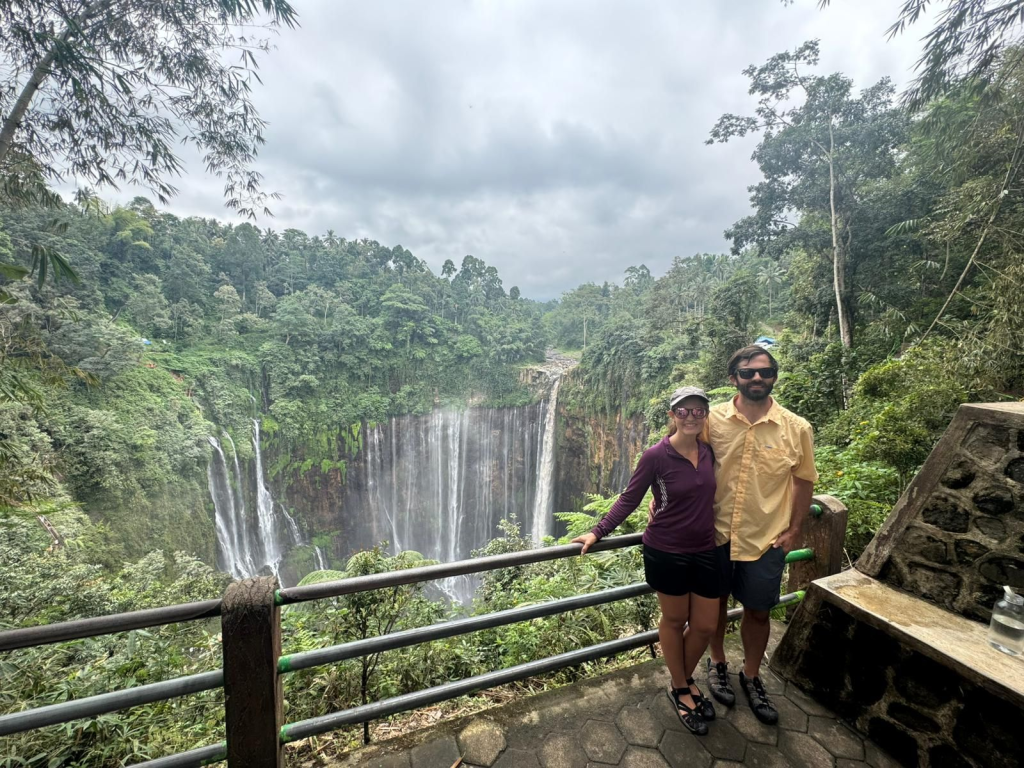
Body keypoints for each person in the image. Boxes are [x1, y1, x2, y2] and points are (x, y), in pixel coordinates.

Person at [572, 386, 721, 735]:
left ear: (705, 416)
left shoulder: (710, 452)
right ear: (672, 416)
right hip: (666, 550)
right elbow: (630, 498)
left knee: (705, 625)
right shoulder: (656, 456)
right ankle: (681, 686)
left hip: (705, 548)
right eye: (682, 411)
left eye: (698, 411)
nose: (690, 417)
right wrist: (598, 531)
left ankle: (680, 679)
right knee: (673, 619)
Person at [702, 345, 818, 725]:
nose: (757, 378)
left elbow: (803, 481)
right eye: (748, 372)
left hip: (765, 537)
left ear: (774, 377)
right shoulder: (711, 419)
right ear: (733, 377)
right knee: (715, 603)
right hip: (714, 532)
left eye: (765, 372)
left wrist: (796, 529)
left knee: (758, 610)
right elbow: (682, 459)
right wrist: (662, 500)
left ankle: (751, 675)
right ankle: (717, 661)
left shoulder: (796, 428)